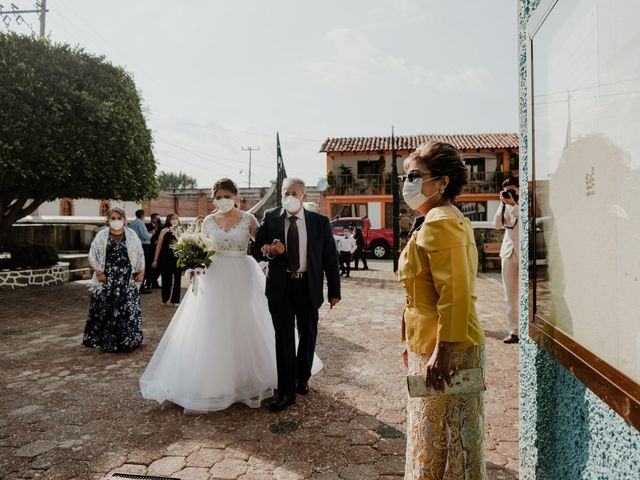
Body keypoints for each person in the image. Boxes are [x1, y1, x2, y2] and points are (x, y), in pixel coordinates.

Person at [140, 178, 322, 413]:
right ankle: (214, 380)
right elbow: (203, 246)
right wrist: (195, 264)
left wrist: (269, 250)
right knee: (212, 325)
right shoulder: (207, 220)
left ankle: (255, 377)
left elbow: (259, 247)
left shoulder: (249, 219)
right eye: (218, 197)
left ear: (236, 196)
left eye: (227, 196)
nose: (222, 201)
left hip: (242, 274)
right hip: (213, 277)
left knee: (245, 323)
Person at [398, 141, 486, 479]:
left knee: (445, 442)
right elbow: (420, 289)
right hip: (434, 342)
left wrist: (443, 351)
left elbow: (456, 293)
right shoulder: (439, 218)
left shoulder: (440, 221)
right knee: (436, 437)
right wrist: (408, 338)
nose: (409, 183)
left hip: (450, 347)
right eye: (406, 177)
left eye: (415, 176)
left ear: (443, 181)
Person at [253, 178, 341, 412]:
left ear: (303, 196)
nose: (289, 196)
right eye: (285, 192)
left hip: (307, 286)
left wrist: (334, 290)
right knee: (283, 339)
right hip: (280, 288)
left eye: (294, 193)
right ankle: (286, 392)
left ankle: (302, 378)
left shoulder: (319, 222)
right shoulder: (271, 216)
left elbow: (330, 258)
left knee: (308, 335)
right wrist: (270, 251)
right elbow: (256, 250)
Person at [83, 208, 145, 352]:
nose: (116, 221)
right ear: (108, 220)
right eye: (113, 218)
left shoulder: (132, 235)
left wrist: (141, 271)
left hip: (127, 278)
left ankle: (128, 340)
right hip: (107, 277)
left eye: (119, 217)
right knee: (106, 308)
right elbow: (92, 254)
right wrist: (99, 272)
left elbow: (140, 254)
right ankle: (107, 341)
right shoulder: (101, 235)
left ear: (124, 219)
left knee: (127, 307)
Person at [494, 177, 520, 344]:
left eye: (512, 190)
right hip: (508, 252)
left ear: (518, 189)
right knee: (509, 294)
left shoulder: (524, 203)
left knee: (524, 294)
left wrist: (514, 204)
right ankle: (513, 331)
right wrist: (503, 204)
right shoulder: (504, 204)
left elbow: (526, 220)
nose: (509, 193)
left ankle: (526, 328)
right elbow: (497, 225)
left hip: (523, 252)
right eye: (506, 190)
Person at [152, 214, 183, 307]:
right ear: (168, 220)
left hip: (178, 258)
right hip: (166, 258)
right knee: (166, 279)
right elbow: (159, 245)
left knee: (178, 279)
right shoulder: (164, 231)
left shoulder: (181, 230)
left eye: (176, 218)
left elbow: (184, 243)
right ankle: (165, 298)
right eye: (172, 219)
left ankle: (175, 300)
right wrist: (155, 259)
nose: (174, 220)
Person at [129, 209, 153, 294]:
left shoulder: (132, 223)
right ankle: (141, 287)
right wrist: (151, 235)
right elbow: (145, 235)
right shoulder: (140, 223)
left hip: (134, 246)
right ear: (142, 215)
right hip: (143, 245)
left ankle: (136, 286)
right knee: (143, 265)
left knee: (136, 266)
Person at [146, 213, 161, 289]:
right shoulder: (147, 226)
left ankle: (155, 281)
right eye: (157, 219)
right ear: (152, 219)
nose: (158, 220)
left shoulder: (160, 226)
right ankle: (148, 283)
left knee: (158, 266)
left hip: (158, 249)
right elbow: (147, 236)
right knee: (150, 266)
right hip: (150, 248)